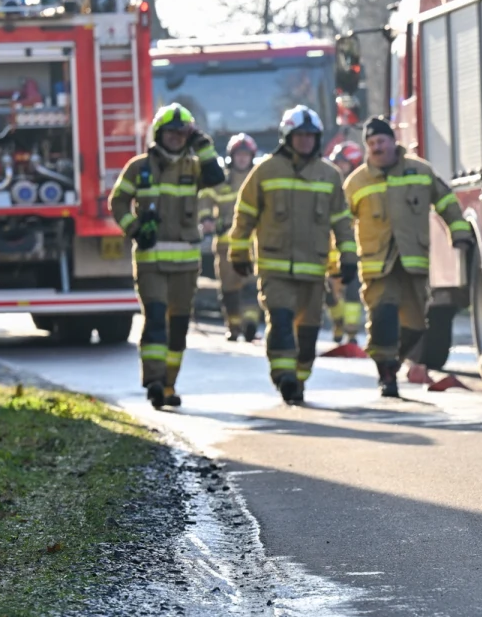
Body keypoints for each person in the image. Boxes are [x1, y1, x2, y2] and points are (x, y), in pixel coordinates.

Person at [228, 106, 356, 405]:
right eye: (299, 136)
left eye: (311, 137)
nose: (305, 142)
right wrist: (238, 250)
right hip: (275, 269)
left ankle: (299, 375)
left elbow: (342, 221)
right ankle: (283, 377)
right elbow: (244, 214)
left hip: (313, 270)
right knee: (281, 320)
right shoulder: (266, 170)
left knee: (308, 334)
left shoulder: (329, 174)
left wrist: (348, 256)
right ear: (287, 137)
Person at [343, 117, 474, 397]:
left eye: (381, 141)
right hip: (377, 267)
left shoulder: (420, 170)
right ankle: (386, 373)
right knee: (383, 316)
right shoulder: (356, 182)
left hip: (413, 264)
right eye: (371, 144)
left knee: (414, 326)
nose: (377, 148)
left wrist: (459, 232)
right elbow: (340, 223)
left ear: (393, 141)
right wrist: (339, 260)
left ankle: (394, 360)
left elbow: (446, 201)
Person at [110, 103, 225, 409]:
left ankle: (169, 385)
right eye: (170, 132)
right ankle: (154, 381)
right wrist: (134, 229)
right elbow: (117, 202)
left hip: (186, 264)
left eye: (181, 132)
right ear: (159, 133)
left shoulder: (195, 166)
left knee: (178, 327)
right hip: (151, 262)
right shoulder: (139, 167)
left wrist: (204, 147)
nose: (175, 137)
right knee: (156, 319)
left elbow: (216, 178)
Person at [199, 132, 261, 342]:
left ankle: (250, 323)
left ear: (251, 156)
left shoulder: (258, 179)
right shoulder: (220, 182)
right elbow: (205, 200)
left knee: (251, 285)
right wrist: (207, 219)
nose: (242, 159)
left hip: (253, 244)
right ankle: (233, 326)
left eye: (246, 155)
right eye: (238, 155)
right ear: (231, 157)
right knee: (229, 288)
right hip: (226, 244)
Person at [325, 140, 365, 346]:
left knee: (352, 293)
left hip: (351, 249)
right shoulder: (329, 184)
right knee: (329, 295)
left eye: (344, 164)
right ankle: (338, 323)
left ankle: (351, 334)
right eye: (337, 163)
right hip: (327, 251)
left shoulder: (359, 186)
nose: (339, 168)